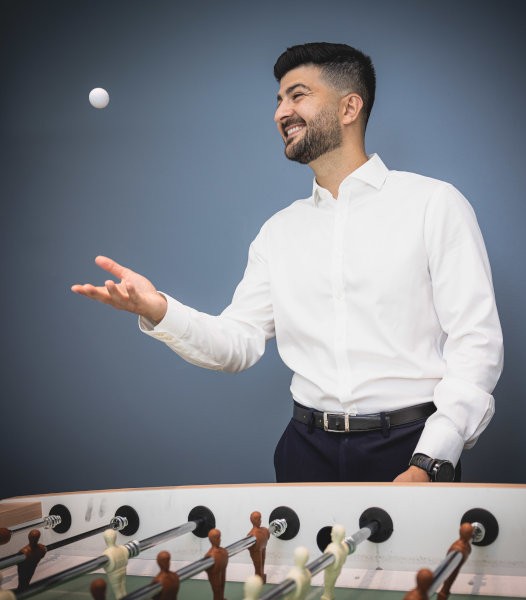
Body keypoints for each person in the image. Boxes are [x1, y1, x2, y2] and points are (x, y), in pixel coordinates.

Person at [72, 42, 503, 483]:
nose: (281, 112)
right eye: (279, 100)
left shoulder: (434, 204)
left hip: (410, 448)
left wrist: (431, 458)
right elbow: (237, 343)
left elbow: (476, 343)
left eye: (298, 95)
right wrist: (159, 310)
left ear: (349, 107)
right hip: (304, 452)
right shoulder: (278, 232)